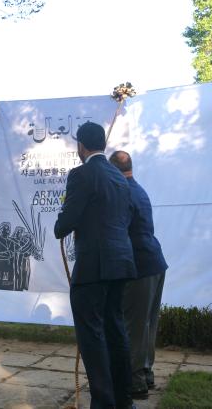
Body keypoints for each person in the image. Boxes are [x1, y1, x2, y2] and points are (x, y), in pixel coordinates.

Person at [54, 122, 137, 409]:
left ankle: (103, 403)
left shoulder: (81, 174)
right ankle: (125, 401)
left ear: (81, 146)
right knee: (116, 331)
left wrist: (61, 219)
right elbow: (125, 218)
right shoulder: (119, 177)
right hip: (121, 263)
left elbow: (65, 224)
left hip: (94, 267)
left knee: (91, 336)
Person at [109, 150, 168, 399]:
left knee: (133, 326)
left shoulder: (123, 193)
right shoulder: (138, 189)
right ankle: (146, 374)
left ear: (113, 170)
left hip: (140, 267)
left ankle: (135, 382)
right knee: (147, 325)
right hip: (155, 264)